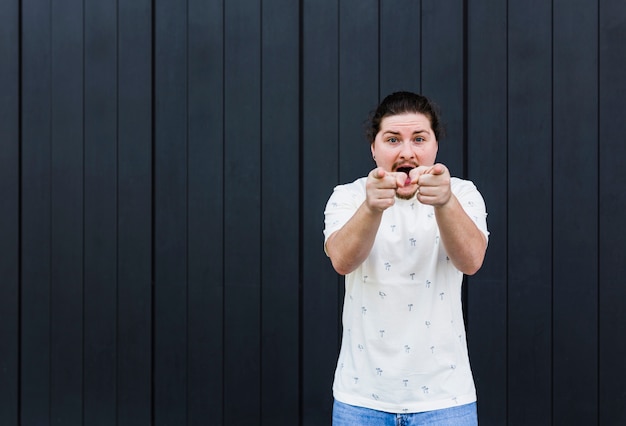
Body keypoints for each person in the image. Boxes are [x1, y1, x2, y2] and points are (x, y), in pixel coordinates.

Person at [323, 91, 489, 425]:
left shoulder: (462, 194)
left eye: (418, 139)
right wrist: (371, 207)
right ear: (374, 148)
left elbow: (471, 261)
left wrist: (445, 203)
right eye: (393, 139)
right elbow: (342, 260)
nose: (407, 152)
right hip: (361, 399)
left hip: (445, 399)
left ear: (435, 146)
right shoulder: (349, 196)